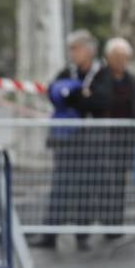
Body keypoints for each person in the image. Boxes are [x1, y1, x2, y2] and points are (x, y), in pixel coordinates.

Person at [32, 29, 103, 251]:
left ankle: (82, 234)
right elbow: (54, 95)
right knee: (60, 185)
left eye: (76, 48)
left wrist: (75, 99)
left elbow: (96, 102)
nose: (72, 53)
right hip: (65, 138)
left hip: (89, 139)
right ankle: (50, 233)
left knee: (85, 186)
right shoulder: (65, 72)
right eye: (71, 49)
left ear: (88, 50)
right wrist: (77, 96)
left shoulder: (100, 73)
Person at [90, 37, 135, 238]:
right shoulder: (100, 77)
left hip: (124, 139)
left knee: (120, 182)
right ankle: (105, 221)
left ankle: (116, 224)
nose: (120, 61)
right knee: (103, 181)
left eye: (124, 57)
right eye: (116, 56)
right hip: (104, 138)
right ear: (108, 57)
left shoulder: (132, 81)